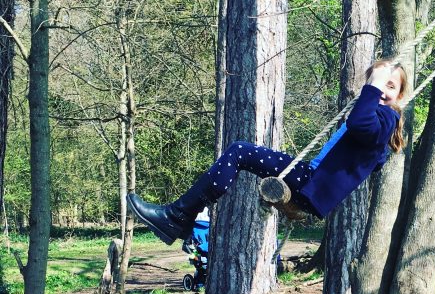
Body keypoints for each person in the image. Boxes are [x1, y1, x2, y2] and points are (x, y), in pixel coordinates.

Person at [127, 60, 408, 244]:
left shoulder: (385, 117)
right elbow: (372, 157)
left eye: (390, 86)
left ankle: (176, 217)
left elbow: (360, 123)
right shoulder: (381, 124)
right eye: (378, 83)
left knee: (239, 151)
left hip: (310, 183)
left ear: (400, 96)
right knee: (240, 151)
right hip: (311, 179)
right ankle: (181, 219)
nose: (382, 90)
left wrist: (372, 87)